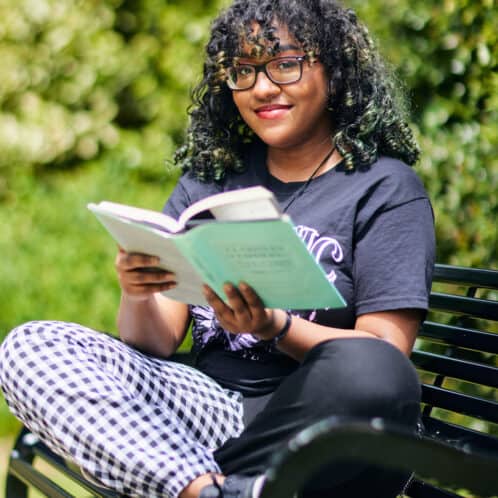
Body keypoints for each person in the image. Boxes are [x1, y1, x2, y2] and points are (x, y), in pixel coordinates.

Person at [0, 0, 435, 497]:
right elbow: (154, 344)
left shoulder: (385, 188)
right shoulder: (208, 182)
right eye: (243, 71)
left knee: (377, 369)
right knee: (30, 346)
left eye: (285, 64)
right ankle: (206, 490)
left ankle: (216, 485)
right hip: (202, 410)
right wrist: (139, 289)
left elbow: (385, 352)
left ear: (334, 71)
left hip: (305, 417)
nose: (263, 87)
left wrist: (276, 327)